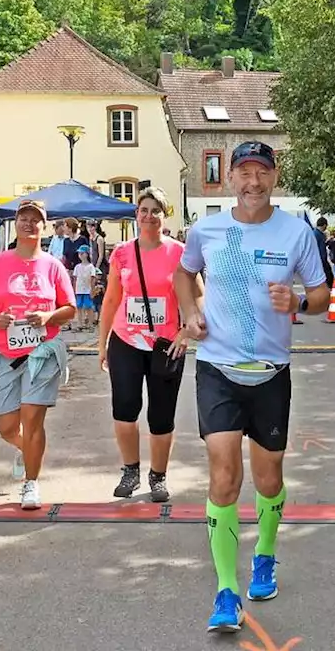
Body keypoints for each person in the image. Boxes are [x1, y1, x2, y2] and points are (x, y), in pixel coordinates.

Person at [174, 140, 330, 634]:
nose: (253, 182)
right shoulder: (207, 229)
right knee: (223, 477)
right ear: (231, 179)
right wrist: (190, 312)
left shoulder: (296, 232)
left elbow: (323, 295)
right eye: (244, 172)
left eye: (262, 172)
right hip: (217, 368)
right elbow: (184, 272)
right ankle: (226, 590)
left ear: (274, 177)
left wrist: (299, 304)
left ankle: (264, 553)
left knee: (268, 479)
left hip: (271, 374)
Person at [0, 199, 77, 511]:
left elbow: (70, 309)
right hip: (4, 352)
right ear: (15, 224)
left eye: (36, 220)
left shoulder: (53, 266)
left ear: (45, 227)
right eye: (23, 219)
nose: (29, 224)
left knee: (33, 419)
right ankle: (28, 450)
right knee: (7, 426)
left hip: (42, 352)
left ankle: (31, 483)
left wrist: (49, 317)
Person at [97, 187, 194, 502]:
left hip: (166, 343)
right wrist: (103, 343)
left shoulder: (179, 252)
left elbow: (196, 297)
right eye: (143, 210)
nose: (149, 216)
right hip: (125, 340)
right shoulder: (122, 252)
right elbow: (111, 299)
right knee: (125, 409)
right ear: (136, 215)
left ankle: (158, 476)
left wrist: (185, 332)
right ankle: (130, 471)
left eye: (155, 211)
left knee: (161, 414)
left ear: (165, 216)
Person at [71, 245, 100, 330]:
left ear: (86, 254)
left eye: (82, 253)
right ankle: (80, 323)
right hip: (79, 289)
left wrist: (92, 290)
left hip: (87, 290)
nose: (80, 255)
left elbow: (92, 279)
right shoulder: (77, 266)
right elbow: (75, 279)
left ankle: (90, 323)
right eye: (79, 253)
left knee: (88, 306)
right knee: (79, 307)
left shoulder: (91, 266)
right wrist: (74, 290)